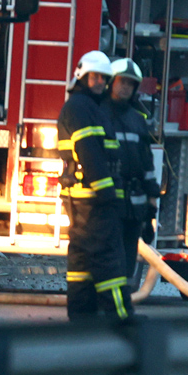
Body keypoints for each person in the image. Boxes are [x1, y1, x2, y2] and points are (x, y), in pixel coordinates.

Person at [57, 50, 133, 321]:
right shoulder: (81, 107)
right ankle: (123, 320)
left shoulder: (86, 106)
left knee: (81, 263)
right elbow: (89, 152)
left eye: (103, 77)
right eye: (95, 77)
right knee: (108, 260)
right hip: (94, 202)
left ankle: (81, 320)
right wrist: (107, 193)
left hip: (83, 200)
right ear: (82, 76)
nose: (100, 82)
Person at [100, 58, 161, 283]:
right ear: (111, 83)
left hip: (133, 207)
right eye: (121, 82)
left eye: (130, 83)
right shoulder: (98, 115)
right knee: (108, 259)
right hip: (108, 203)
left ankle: (121, 304)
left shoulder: (137, 120)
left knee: (126, 262)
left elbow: (147, 165)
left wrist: (151, 210)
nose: (125, 87)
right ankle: (107, 307)